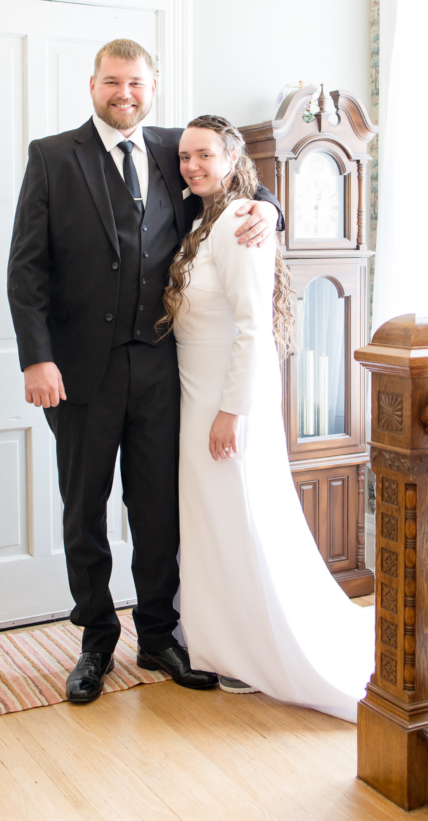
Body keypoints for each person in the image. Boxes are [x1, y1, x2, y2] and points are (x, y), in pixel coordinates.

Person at [6, 39, 283, 704]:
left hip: (161, 368)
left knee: (157, 509)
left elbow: (245, 181)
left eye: (135, 83)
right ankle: (95, 640)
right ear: (92, 85)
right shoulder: (51, 157)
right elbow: (27, 269)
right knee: (85, 511)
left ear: (152, 87)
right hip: (76, 373)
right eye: (111, 82)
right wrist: (36, 357)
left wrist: (269, 211)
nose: (123, 93)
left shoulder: (172, 147)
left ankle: (159, 635)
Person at [161, 115, 374, 718]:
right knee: (215, 527)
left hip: (228, 406)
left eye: (205, 155)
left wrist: (230, 412)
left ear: (233, 158)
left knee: (241, 524)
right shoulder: (206, 222)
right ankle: (220, 638)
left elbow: (255, 330)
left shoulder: (239, 223)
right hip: (196, 397)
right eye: (184, 157)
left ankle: (253, 649)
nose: (192, 166)